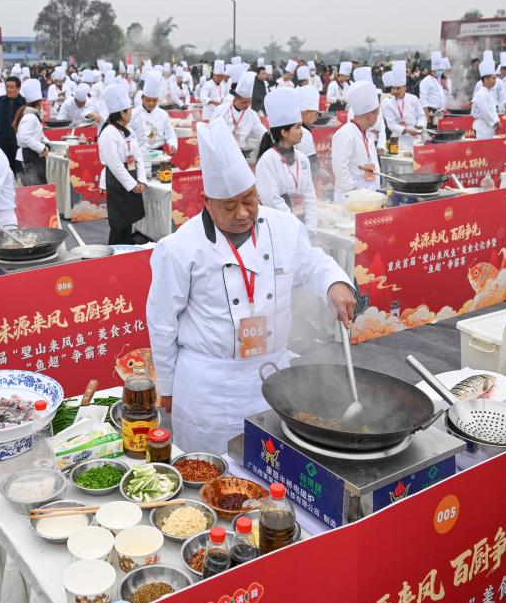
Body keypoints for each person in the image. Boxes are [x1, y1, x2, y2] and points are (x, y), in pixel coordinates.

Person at [146, 119, 355, 453]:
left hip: (273, 374)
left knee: (273, 462)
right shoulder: (179, 248)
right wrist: (168, 386)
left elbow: (312, 262)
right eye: (229, 206)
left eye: (250, 199)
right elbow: (162, 322)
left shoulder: (283, 226)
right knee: (210, 469)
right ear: (206, 200)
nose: (243, 213)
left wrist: (335, 283)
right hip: (209, 386)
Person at [255, 87, 318, 233]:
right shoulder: (267, 161)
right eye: (297, 127)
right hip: (279, 227)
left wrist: (311, 226)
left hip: (302, 224)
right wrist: (296, 228)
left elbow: (310, 194)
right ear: (284, 132)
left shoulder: (302, 158)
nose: (302, 132)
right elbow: (272, 200)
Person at [98, 84, 146, 244]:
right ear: (122, 113)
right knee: (119, 222)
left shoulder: (129, 130)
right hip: (118, 181)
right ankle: (116, 251)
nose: (131, 113)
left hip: (131, 176)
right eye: (129, 110)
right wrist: (132, 185)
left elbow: (138, 156)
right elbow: (115, 165)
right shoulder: (108, 133)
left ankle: (127, 248)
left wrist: (141, 180)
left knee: (129, 219)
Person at [331, 81, 381, 202]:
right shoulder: (345, 133)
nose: (378, 117)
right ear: (370, 116)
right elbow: (340, 168)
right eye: (377, 113)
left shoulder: (367, 133)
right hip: (351, 199)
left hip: (367, 194)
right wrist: (354, 191)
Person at [212, 70, 266, 150]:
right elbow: (212, 131)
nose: (247, 105)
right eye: (244, 102)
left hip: (241, 150)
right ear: (235, 99)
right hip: (222, 149)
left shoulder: (252, 115)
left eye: (249, 102)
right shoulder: (221, 110)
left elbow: (261, 132)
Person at [381, 61, 426, 152]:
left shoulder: (413, 99)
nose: (395, 91)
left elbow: (421, 115)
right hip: (398, 139)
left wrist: (420, 127)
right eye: (393, 88)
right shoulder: (388, 103)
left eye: (398, 88)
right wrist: (406, 130)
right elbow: (391, 124)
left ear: (405, 88)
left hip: (416, 137)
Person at [130, 72, 178, 156]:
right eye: (148, 100)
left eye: (154, 100)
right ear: (142, 98)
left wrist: (172, 144)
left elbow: (170, 134)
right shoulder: (133, 114)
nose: (151, 103)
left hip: (160, 154)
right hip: (140, 155)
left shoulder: (163, 114)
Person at [13, 78, 50, 186]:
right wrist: (41, 148)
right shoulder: (30, 117)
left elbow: (39, 135)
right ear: (40, 102)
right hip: (30, 157)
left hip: (33, 156)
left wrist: (49, 144)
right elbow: (24, 138)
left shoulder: (32, 115)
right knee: (36, 187)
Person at [0, 76, 25, 171]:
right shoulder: (0, 101)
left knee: (18, 169)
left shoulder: (24, 102)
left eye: (11, 87)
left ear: (18, 88)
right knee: (3, 167)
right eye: (7, 87)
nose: (8, 90)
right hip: (2, 141)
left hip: (17, 142)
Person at [295, 84, 323, 177]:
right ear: (307, 112)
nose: (316, 118)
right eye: (316, 114)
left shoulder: (294, 127)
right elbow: (313, 164)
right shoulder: (303, 132)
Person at [471, 60, 500, 140]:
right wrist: (495, 121)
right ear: (486, 80)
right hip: (482, 128)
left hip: (488, 127)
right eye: (493, 78)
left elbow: (492, 110)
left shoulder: (489, 92)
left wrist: (496, 120)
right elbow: (485, 111)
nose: (495, 81)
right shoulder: (481, 94)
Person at [420, 52, 447, 123]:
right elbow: (423, 100)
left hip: (440, 111)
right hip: (431, 112)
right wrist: (427, 116)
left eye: (441, 70)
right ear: (433, 70)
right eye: (439, 70)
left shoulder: (438, 79)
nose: (441, 71)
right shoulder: (426, 81)